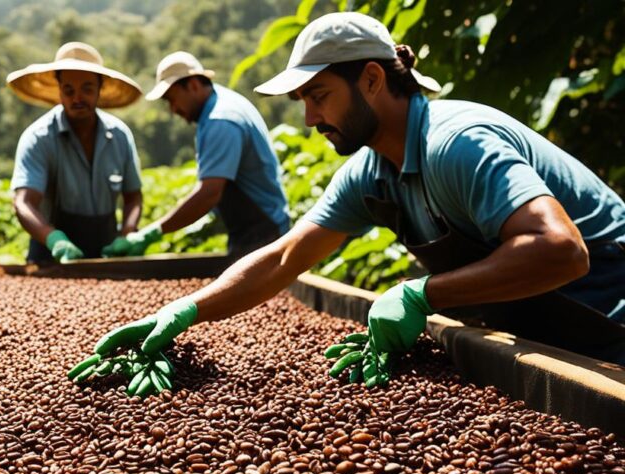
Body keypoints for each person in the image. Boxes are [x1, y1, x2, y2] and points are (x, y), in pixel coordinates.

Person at [84, 12, 625, 372]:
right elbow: (285, 257)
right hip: (544, 340)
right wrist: (183, 311)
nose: (310, 117)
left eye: (318, 95)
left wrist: (422, 295)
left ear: (370, 79)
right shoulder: (372, 170)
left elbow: (561, 251)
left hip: (609, 330)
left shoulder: (456, 143)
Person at [101, 52, 290, 259]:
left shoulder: (220, 120)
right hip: (254, 230)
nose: (173, 109)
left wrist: (153, 232)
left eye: (172, 99)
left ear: (192, 85)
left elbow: (209, 193)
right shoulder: (224, 104)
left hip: (263, 233)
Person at [8, 42, 146, 263]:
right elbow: (24, 203)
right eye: (69, 90)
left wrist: (128, 233)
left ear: (100, 89)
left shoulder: (120, 136)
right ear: (59, 90)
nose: (77, 99)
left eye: (87, 89)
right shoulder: (39, 138)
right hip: (49, 258)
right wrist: (53, 239)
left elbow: (133, 197)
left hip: (106, 255)